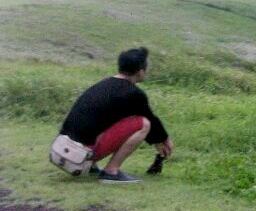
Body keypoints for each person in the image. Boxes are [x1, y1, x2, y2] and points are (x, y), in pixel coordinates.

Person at [59, 47, 173, 184]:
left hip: (62, 150)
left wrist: (158, 139)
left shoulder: (103, 84)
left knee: (111, 120)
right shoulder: (133, 93)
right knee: (144, 124)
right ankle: (111, 171)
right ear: (141, 71)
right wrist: (164, 139)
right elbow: (149, 118)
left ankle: (91, 167)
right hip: (78, 155)